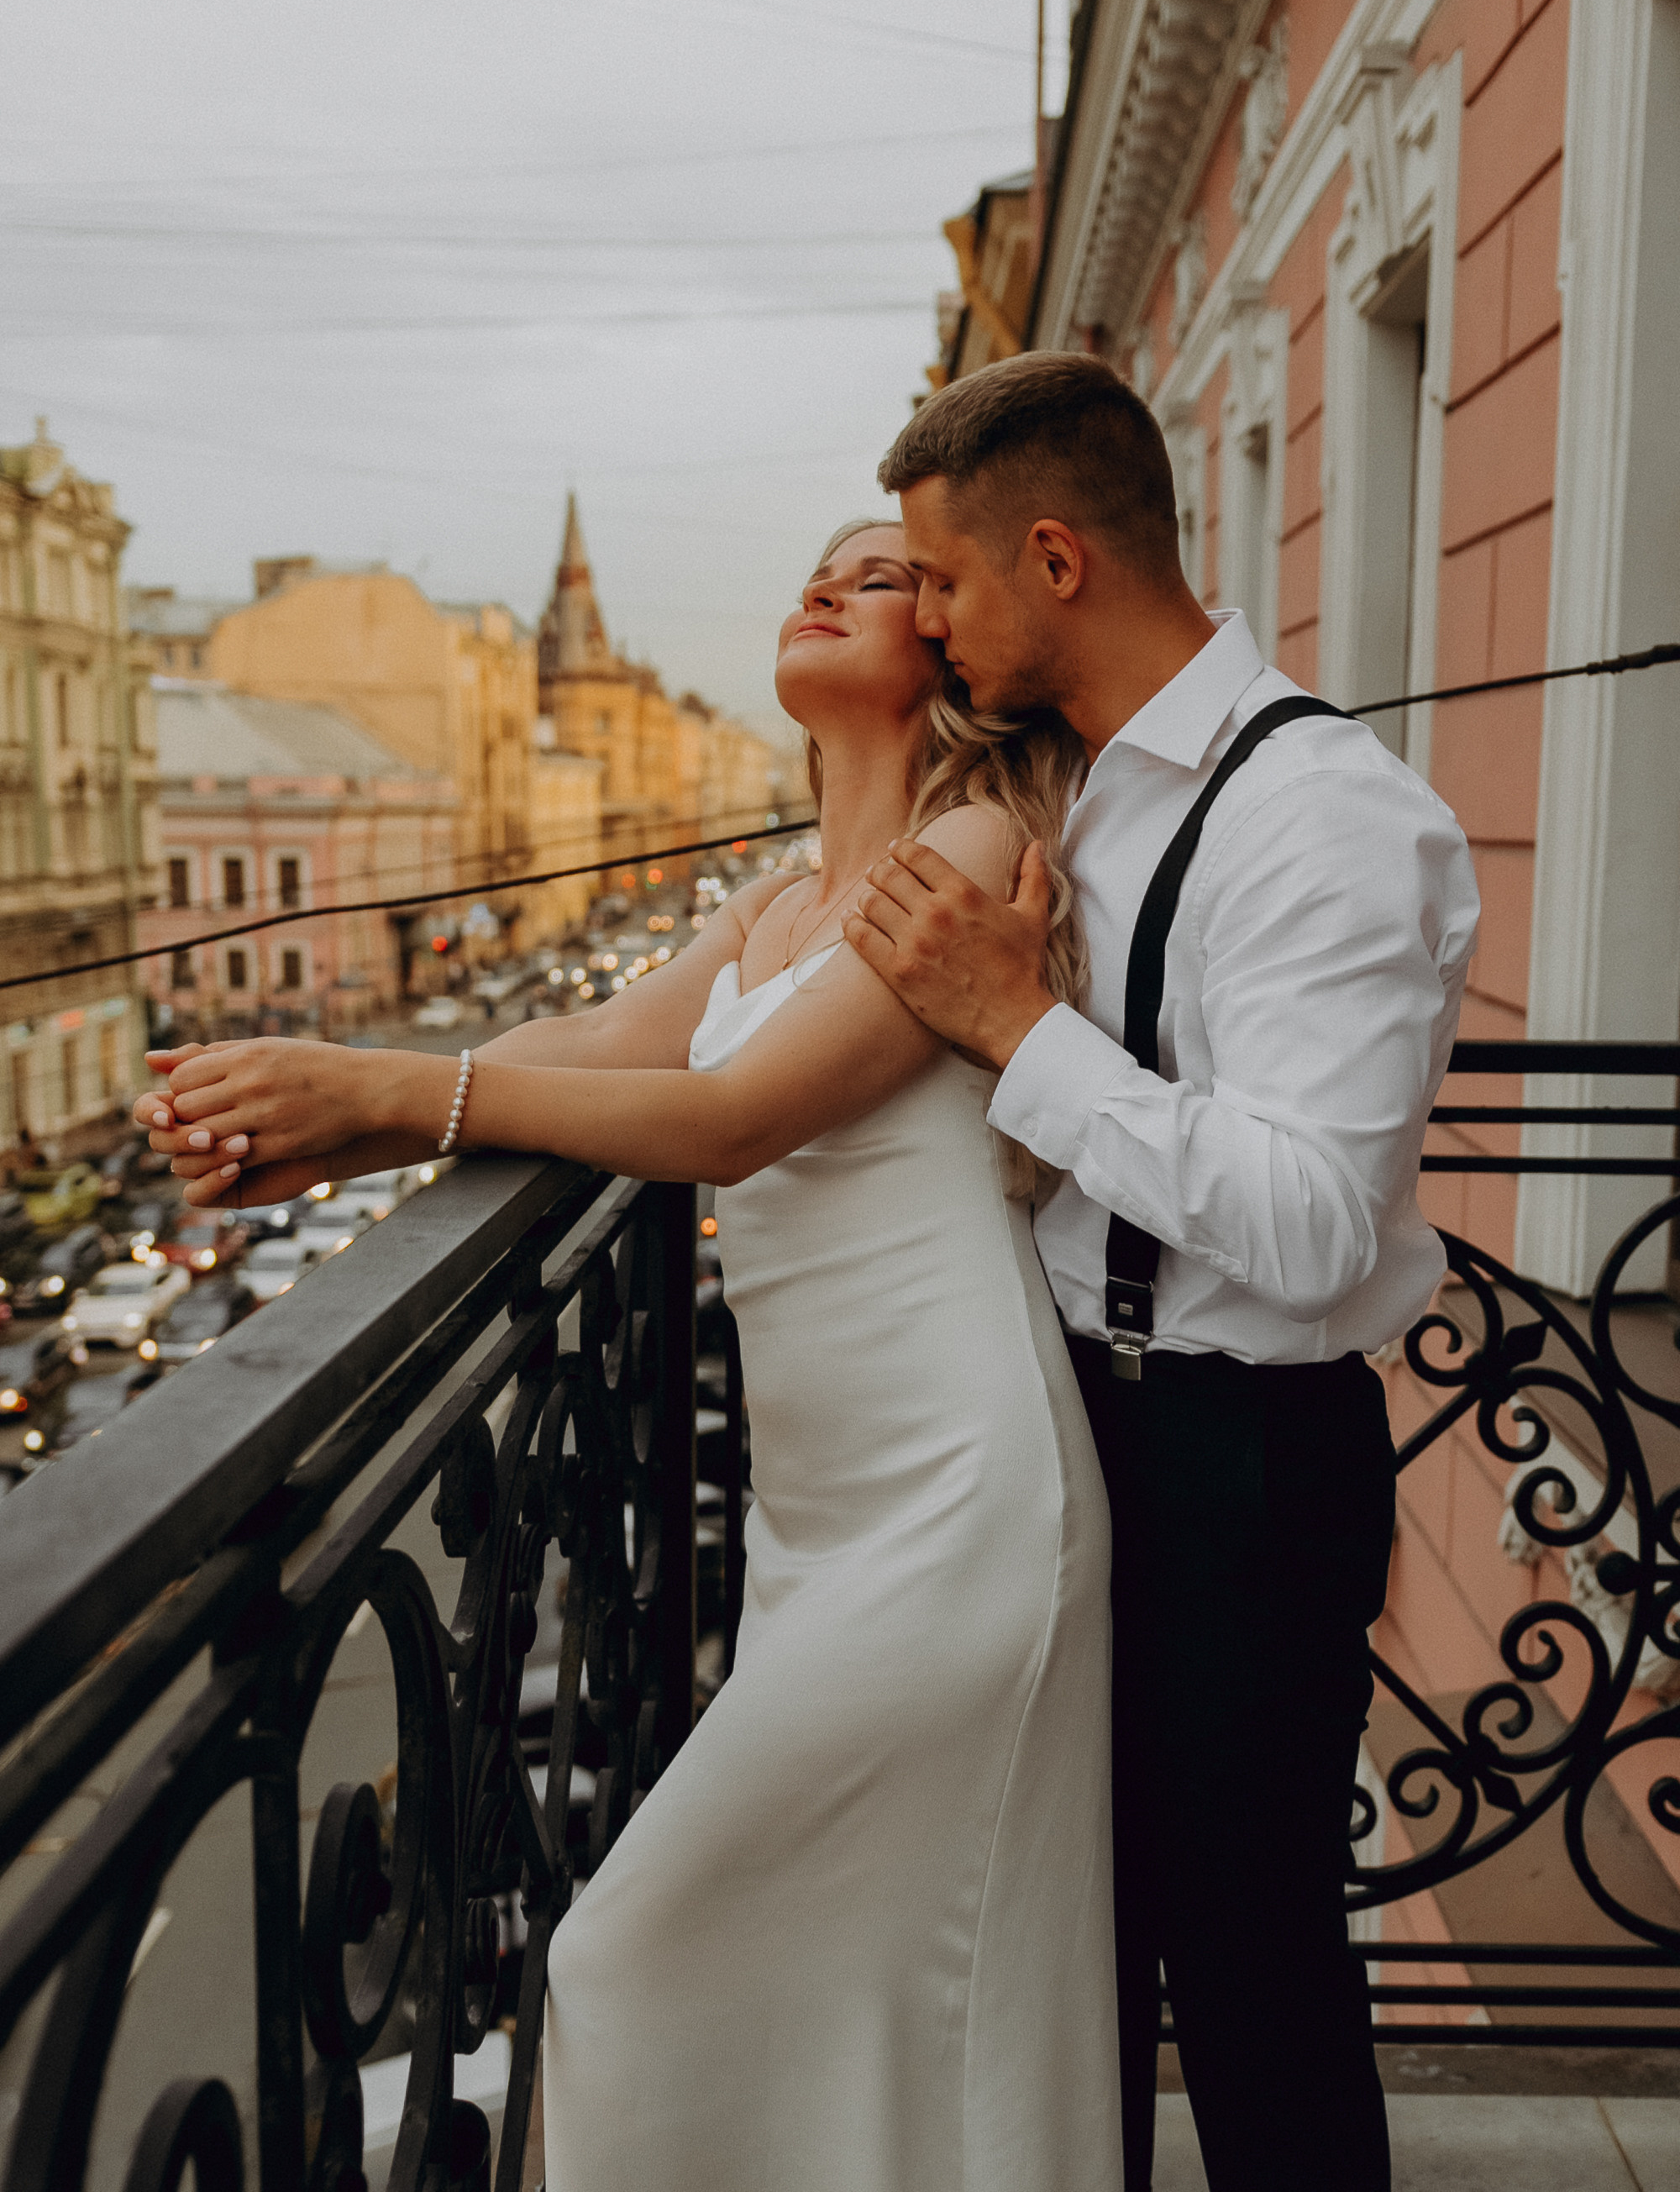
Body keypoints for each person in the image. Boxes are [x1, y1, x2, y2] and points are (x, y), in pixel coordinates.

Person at [134, 519, 1124, 2192]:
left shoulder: (968, 846)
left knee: (624, 1968)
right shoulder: (776, 901)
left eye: (882, 574)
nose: (827, 584)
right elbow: (581, 1047)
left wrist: (384, 1094)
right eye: (817, 563)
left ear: (952, 640)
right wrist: (333, 1128)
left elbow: (730, 1121)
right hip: (826, 1522)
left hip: (964, 1506)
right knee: (870, 1992)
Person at [843, 354, 1480, 2192]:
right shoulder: (1086, 793)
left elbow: (1309, 1221)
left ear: (1051, 560)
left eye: (942, 581)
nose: (928, 620)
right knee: (1071, 1956)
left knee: (1253, 1971)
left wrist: (1013, 1027)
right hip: (1077, 1432)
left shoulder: (1320, 818)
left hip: (1237, 1467)